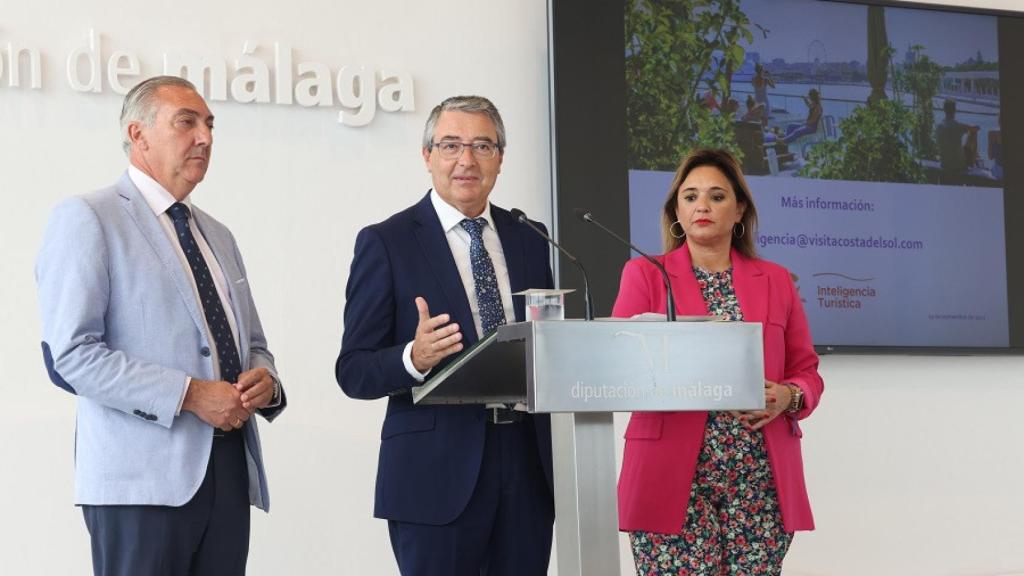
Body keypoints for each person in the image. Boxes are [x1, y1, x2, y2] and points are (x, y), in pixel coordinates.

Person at [36, 75, 286, 576]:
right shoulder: (89, 217)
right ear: (139, 134)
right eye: (187, 122)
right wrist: (192, 394)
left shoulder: (218, 234)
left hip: (228, 475)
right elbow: (72, 355)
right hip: (140, 483)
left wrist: (266, 380)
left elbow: (252, 343)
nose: (205, 137)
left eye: (210, 125)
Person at [336, 95, 555, 575]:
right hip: (435, 474)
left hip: (526, 465)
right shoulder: (387, 242)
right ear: (427, 155)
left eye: (482, 145)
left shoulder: (530, 236)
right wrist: (413, 358)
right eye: (451, 144)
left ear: (500, 157)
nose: (466, 160)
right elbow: (353, 370)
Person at [612, 148, 823, 574]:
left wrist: (788, 396)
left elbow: (807, 371)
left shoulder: (777, 280)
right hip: (671, 474)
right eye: (689, 197)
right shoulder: (645, 275)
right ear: (676, 210)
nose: (702, 206)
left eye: (716, 196)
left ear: (739, 209)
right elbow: (618, 364)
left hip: (757, 477)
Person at [936, 98, 979, 175]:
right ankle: (973, 163)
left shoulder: (939, 126)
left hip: (944, 163)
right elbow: (975, 129)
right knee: (972, 133)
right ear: (955, 110)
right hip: (958, 166)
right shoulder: (958, 126)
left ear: (944, 110)